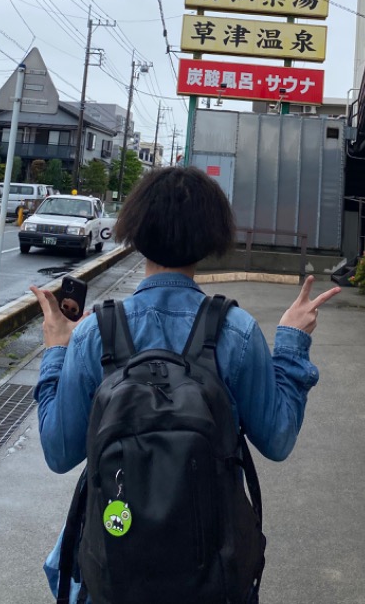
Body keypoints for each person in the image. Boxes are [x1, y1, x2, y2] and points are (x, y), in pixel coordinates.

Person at [30, 165, 339, 603]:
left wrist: (57, 351)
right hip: (212, 568)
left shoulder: (95, 333)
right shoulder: (236, 330)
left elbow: (59, 453)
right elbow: (278, 439)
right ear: (210, 239)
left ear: (135, 233)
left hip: (114, 565)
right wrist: (291, 342)